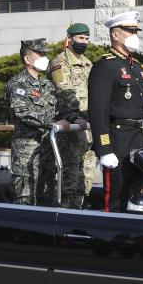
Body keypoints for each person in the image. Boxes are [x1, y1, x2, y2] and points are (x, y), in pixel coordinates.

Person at [88, 11, 143, 212]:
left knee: (141, 198)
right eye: (129, 31)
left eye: (135, 30)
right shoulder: (105, 66)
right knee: (118, 198)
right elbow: (98, 111)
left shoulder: (138, 68)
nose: (133, 34)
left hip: (142, 139)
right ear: (115, 35)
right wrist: (104, 149)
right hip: (119, 141)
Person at [5, 39, 80, 206]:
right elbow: (22, 112)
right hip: (27, 152)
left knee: (47, 194)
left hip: (47, 148)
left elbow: (60, 107)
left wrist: (74, 118)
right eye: (40, 55)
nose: (45, 58)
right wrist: (53, 123)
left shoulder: (46, 84)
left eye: (46, 54)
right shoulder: (18, 84)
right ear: (27, 59)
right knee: (25, 197)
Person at [47, 23, 95, 209]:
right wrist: (75, 115)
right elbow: (64, 89)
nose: (84, 42)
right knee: (70, 176)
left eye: (86, 39)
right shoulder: (59, 62)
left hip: (88, 126)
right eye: (80, 38)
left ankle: (80, 210)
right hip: (71, 124)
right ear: (70, 38)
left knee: (86, 176)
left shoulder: (89, 63)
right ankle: (65, 215)